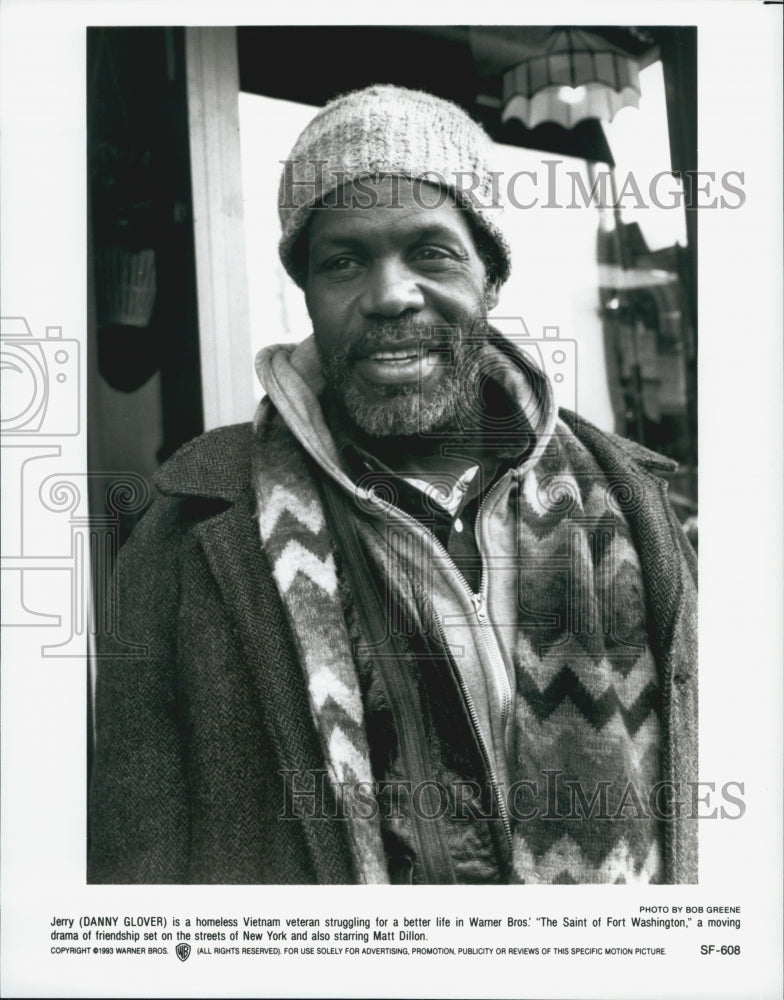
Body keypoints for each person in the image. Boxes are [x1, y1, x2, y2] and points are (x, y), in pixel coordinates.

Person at [88, 85, 697, 885]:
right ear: (305, 290)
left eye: (431, 252)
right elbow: (138, 855)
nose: (388, 295)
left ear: (491, 276)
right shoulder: (191, 523)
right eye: (342, 260)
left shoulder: (635, 502)